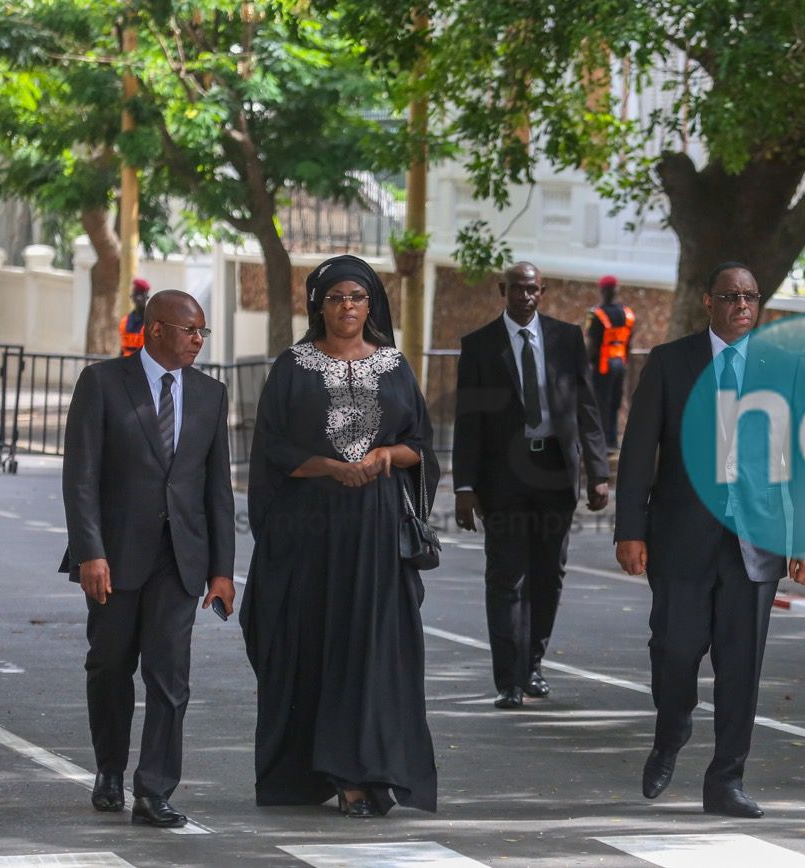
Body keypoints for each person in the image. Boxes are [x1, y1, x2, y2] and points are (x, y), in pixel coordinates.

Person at [615, 262, 805, 819]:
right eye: (730, 296)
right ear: (708, 301)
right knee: (674, 651)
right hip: (681, 537)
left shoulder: (785, 366)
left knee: (740, 668)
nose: (741, 306)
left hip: (755, 543)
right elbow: (639, 453)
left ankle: (725, 779)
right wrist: (629, 529)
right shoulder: (670, 362)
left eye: (750, 297)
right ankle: (673, 723)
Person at [240, 254, 438, 818]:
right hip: (310, 534)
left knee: (370, 648)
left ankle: (367, 771)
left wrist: (382, 455)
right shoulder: (294, 366)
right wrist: (330, 467)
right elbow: (272, 450)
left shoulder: (395, 365)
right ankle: (326, 772)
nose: (346, 307)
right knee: (318, 644)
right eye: (334, 298)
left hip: (375, 533)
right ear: (318, 306)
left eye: (356, 297)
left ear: (371, 304)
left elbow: (418, 446)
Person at [61, 289, 235, 829]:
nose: (198, 340)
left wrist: (223, 570)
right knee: (110, 665)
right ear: (156, 329)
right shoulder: (103, 383)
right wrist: (90, 551)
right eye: (190, 331)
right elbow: (81, 475)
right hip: (113, 557)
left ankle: (154, 790)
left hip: (180, 558)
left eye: (202, 332)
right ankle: (109, 771)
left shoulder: (211, 394)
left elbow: (216, 489)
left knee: (169, 677)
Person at [453, 261, 611, 709]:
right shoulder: (480, 346)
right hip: (503, 480)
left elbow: (587, 407)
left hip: (555, 477)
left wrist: (599, 473)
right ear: (503, 289)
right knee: (506, 576)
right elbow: (468, 423)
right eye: (517, 289)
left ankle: (533, 665)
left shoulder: (565, 338)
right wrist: (464, 487)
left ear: (543, 291)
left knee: (547, 574)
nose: (525, 296)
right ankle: (509, 680)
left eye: (533, 290)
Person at [584, 275, 636, 449]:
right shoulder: (627, 313)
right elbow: (629, 342)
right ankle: (612, 441)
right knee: (614, 403)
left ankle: (601, 443)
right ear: (616, 290)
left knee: (600, 404)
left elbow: (591, 344)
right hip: (620, 364)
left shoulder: (596, 314)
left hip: (602, 365)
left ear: (602, 290)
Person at [119, 278, 150, 357]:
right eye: (136, 294)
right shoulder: (124, 321)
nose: (138, 298)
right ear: (132, 296)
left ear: (147, 297)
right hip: (126, 364)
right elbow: (123, 349)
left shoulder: (151, 321)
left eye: (141, 295)